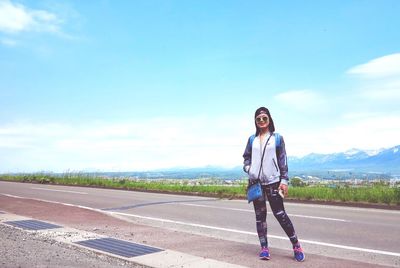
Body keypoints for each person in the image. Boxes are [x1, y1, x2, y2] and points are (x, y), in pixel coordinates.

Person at [242, 107, 305, 262]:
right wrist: (249, 169)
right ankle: (264, 248)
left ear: (269, 119)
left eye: (264, 118)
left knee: (280, 215)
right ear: (255, 121)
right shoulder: (252, 140)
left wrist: (284, 180)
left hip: (273, 183)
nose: (261, 121)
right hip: (256, 184)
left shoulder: (277, 138)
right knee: (260, 217)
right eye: (258, 119)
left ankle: (296, 245)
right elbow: (246, 158)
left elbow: (283, 160)